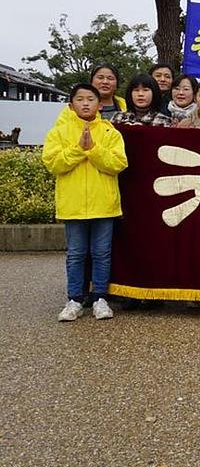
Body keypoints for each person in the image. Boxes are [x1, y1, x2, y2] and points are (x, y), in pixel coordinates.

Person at [42, 83, 128, 322]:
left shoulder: (110, 131)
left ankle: (100, 298)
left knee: (102, 253)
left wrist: (93, 149)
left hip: (104, 204)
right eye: (80, 99)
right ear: (71, 105)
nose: (86, 103)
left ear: (99, 105)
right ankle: (75, 299)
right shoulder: (59, 131)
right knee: (76, 254)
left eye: (91, 99)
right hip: (73, 205)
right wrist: (79, 149)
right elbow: (53, 163)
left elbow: (118, 163)